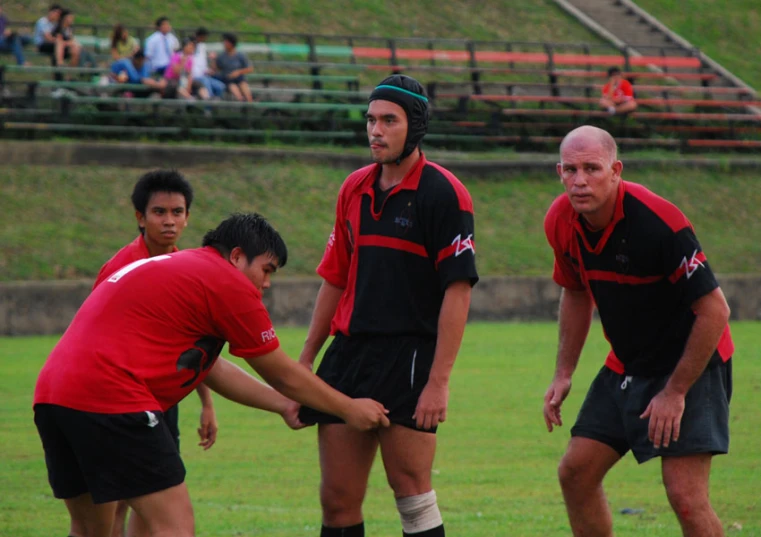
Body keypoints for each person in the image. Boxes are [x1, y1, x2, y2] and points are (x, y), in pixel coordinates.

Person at [34, 212, 391, 537]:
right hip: (111, 396)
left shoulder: (186, 267)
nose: (266, 284)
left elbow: (210, 367)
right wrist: (349, 408)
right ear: (236, 256)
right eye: (266, 270)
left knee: (88, 530)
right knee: (173, 526)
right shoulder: (227, 283)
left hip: (53, 396)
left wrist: (283, 405)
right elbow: (282, 372)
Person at [297, 74, 478, 537]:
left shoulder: (444, 193)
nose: (375, 130)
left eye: (388, 121)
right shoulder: (354, 187)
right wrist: (303, 365)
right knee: (337, 501)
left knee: (412, 495)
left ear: (414, 126)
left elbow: (458, 291)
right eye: (371, 120)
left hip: (412, 357)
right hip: (350, 352)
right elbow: (334, 279)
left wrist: (438, 383)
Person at [543, 125, 733, 537]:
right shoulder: (560, 220)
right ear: (559, 172)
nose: (579, 181)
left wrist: (675, 392)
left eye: (592, 168)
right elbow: (575, 294)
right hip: (628, 363)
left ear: (616, 170)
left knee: (685, 495)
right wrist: (563, 372)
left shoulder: (659, 222)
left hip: (691, 364)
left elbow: (715, 311)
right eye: (570, 170)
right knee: (576, 472)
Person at [91, 171, 214, 537]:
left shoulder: (186, 267)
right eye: (159, 212)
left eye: (177, 212)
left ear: (188, 217)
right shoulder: (119, 268)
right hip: (116, 402)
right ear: (140, 217)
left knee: (150, 504)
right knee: (114, 505)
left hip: (160, 400)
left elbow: (192, 345)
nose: (169, 221)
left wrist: (207, 403)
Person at [212, 32, 253, 102]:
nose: (224, 44)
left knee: (243, 84)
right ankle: (241, 100)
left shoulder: (240, 55)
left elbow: (250, 69)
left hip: (239, 78)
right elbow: (216, 69)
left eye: (226, 42)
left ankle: (250, 102)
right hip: (227, 79)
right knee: (231, 85)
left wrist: (238, 72)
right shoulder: (221, 56)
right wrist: (214, 59)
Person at [192, 27, 226, 99]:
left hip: (204, 75)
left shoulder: (202, 46)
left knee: (221, 86)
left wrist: (207, 69)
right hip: (195, 76)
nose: (204, 39)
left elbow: (202, 63)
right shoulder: (191, 47)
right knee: (207, 85)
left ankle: (215, 104)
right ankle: (208, 108)